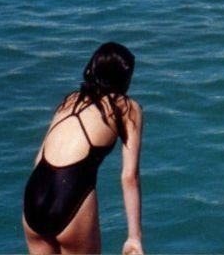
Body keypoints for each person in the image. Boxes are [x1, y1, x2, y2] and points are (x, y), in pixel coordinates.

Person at [22, 43, 144, 255]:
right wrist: (134, 237)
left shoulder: (70, 100)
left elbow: (38, 158)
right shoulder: (127, 108)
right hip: (70, 197)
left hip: (35, 196)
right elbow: (129, 177)